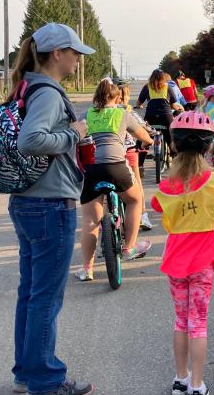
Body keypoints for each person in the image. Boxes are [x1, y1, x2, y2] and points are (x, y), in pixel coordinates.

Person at [10, 22, 95, 395]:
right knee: (45, 297)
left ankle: (26, 373)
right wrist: (74, 133)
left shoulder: (28, 85)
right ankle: (44, 380)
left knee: (31, 293)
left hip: (29, 201)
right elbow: (31, 140)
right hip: (49, 204)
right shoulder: (46, 91)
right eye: (74, 52)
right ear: (57, 53)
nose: (78, 59)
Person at [151, 111, 214, 395]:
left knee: (180, 321)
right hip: (203, 265)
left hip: (174, 263)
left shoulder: (166, 185)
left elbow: (155, 205)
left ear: (174, 145)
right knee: (198, 323)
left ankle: (180, 377)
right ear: (208, 146)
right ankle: (197, 386)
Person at [74, 79, 154, 282]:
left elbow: (74, 133)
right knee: (135, 200)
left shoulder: (87, 114)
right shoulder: (122, 113)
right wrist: (150, 140)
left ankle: (87, 269)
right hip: (117, 167)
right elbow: (141, 133)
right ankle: (129, 247)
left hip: (93, 169)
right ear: (117, 96)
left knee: (91, 221)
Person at [120, 83, 154, 230]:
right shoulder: (127, 112)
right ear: (125, 97)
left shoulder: (100, 111)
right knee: (137, 183)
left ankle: (105, 218)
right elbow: (142, 128)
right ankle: (143, 216)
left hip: (106, 154)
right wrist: (150, 136)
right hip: (128, 151)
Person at [137, 69, 183, 153]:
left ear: (151, 77)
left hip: (150, 117)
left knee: (144, 136)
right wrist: (179, 108)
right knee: (171, 138)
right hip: (166, 117)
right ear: (163, 78)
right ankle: (175, 159)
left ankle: (140, 163)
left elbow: (139, 102)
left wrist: (139, 106)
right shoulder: (167, 86)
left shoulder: (147, 87)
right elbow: (173, 105)